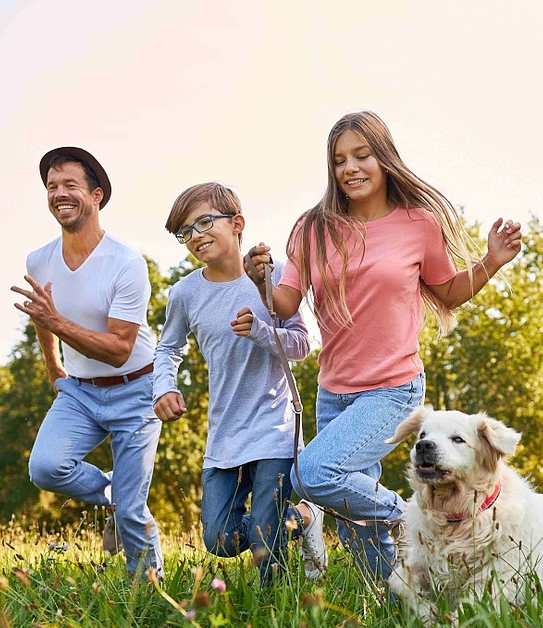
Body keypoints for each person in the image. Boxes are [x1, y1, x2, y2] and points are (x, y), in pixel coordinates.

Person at [244, 110, 523, 584]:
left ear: (384, 157)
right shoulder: (313, 229)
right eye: (338, 160)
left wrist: (491, 261)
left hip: (393, 390)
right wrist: (261, 279)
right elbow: (286, 301)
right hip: (334, 392)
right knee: (356, 521)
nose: (349, 168)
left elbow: (448, 291)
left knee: (312, 474)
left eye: (361, 155)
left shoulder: (418, 223)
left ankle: (408, 513)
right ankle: (397, 604)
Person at [13, 146, 164, 579]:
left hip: (137, 389)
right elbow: (42, 315)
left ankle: (147, 595)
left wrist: (55, 321)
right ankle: (115, 490)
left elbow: (118, 347)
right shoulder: (39, 259)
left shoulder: (125, 264)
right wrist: (54, 369)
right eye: (51, 186)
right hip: (81, 391)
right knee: (45, 467)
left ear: (96, 195)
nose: (59, 194)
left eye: (70, 186)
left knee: (133, 514)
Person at [154, 182, 315, 586]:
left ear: (237, 223)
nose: (195, 236)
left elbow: (301, 345)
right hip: (224, 433)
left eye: (204, 222)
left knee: (265, 546)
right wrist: (164, 387)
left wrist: (261, 330)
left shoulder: (270, 278)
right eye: (184, 231)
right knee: (219, 539)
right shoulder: (185, 293)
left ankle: (275, 612)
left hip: (273, 430)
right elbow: (167, 349)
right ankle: (303, 517)